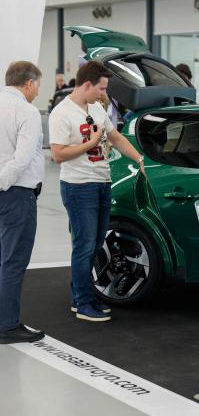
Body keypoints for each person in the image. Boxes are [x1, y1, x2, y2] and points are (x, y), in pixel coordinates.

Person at [49, 61, 146, 322]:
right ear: (87, 84)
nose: (104, 94)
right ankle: (83, 304)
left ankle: (80, 296)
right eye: (101, 88)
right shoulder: (62, 113)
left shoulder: (96, 109)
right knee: (84, 246)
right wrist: (91, 143)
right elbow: (58, 155)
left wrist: (139, 158)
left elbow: (116, 138)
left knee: (94, 245)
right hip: (79, 187)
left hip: (102, 183)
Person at [0, 61, 45, 344]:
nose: (38, 91)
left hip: (8, 189)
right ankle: (7, 325)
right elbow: (23, 157)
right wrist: (3, 182)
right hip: (16, 193)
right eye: (38, 85)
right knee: (13, 261)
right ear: (28, 83)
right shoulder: (26, 111)